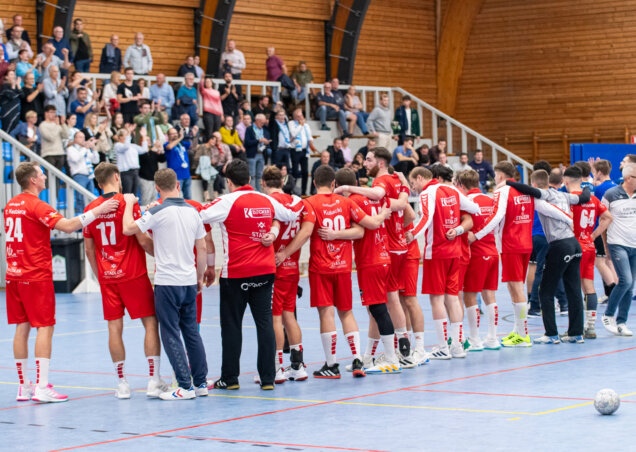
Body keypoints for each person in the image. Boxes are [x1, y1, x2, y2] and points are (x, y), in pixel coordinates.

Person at [5, 161, 118, 402]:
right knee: (45, 326)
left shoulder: (11, 204)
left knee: (21, 327)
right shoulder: (37, 205)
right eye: (41, 174)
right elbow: (68, 227)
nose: (45, 176)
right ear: (33, 180)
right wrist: (97, 211)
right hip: (35, 275)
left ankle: (24, 386)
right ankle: (42, 386)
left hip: (14, 274)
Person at [275, 165, 388, 379]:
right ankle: (357, 359)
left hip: (320, 267)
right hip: (343, 266)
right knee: (346, 311)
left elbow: (306, 233)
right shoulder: (346, 202)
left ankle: (331, 364)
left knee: (326, 312)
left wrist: (285, 253)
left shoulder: (310, 203)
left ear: (315, 182)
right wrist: (382, 213)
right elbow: (365, 228)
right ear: (334, 183)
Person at [200, 160, 297, 390]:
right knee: (264, 324)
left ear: (229, 182)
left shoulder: (226, 201)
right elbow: (291, 215)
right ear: (251, 180)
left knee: (232, 325)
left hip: (236, 274)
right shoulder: (267, 200)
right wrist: (273, 230)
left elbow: (199, 216)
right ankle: (267, 379)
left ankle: (230, 379)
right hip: (265, 271)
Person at [83, 162, 168, 398]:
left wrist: (100, 275)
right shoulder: (128, 202)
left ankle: (121, 383)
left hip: (108, 276)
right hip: (133, 274)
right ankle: (153, 379)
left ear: (99, 184)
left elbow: (89, 251)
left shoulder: (92, 209)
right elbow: (141, 239)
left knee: (114, 327)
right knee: (150, 324)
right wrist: (162, 253)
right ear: (117, 177)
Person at [122, 168, 208, 400]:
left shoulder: (157, 211)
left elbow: (127, 229)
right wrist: (199, 277)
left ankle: (185, 387)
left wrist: (130, 205)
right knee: (191, 333)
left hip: (167, 283)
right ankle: (200, 383)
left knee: (170, 333)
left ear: (157, 189)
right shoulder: (193, 211)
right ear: (178, 185)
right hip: (189, 281)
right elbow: (202, 248)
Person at [334, 148, 417, 365]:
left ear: (380, 163)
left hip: (381, 250)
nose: (364, 163)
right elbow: (410, 212)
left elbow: (375, 208)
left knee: (379, 305)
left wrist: (347, 188)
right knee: (391, 300)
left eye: (369, 159)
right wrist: (404, 191)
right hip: (396, 246)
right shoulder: (396, 182)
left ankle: (390, 355)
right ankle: (396, 349)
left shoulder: (377, 188)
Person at [505, 168, 591, 344]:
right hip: (574, 244)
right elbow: (585, 197)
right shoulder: (564, 195)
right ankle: (576, 333)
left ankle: (551, 334)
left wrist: (506, 183)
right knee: (574, 289)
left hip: (559, 245)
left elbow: (528, 191)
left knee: (545, 290)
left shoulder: (541, 196)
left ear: (535, 183)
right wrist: (587, 185)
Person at [408, 167, 479, 359]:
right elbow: (475, 209)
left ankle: (442, 346)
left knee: (437, 299)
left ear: (420, 177)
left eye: (413, 183)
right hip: (455, 251)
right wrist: (456, 227)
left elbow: (426, 217)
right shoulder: (452, 190)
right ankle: (457, 345)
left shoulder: (428, 193)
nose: (412, 187)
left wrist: (412, 235)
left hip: (437, 251)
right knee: (453, 297)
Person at [259, 166, 306, 382]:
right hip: (292, 265)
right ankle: (297, 365)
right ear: (283, 179)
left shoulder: (267, 203)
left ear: (263, 182)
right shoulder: (296, 202)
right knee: (289, 315)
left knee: (275, 318)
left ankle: (276, 367)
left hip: (273, 266)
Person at [456, 170, 501, 351]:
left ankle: (475, 339)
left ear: (461, 184)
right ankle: (493, 338)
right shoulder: (491, 200)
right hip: (493, 251)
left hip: (476, 253)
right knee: (489, 294)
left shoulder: (468, 203)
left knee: (470, 295)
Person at [567, 170, 613, 339]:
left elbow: (569, 221)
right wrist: (593, 235)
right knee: (589, 286)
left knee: (573, 287)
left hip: (574, 246)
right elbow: (608, 217)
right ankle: (591, 327)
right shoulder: (593, 199)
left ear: (566, 180)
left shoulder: (571, 199)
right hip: (589, 244)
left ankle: (576, 328)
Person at [601, 163, 636, 336]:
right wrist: (606, 245)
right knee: (626, 280)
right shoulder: (611, 194)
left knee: (630, 287)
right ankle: (608, 315)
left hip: (634, 245)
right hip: (617, 244)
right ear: (628, 178)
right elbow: (603, 220)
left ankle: (622, 322)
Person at [591, 159, 619, 301]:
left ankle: (614, 291)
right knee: (609, 261)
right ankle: (613, 292)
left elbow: (595, 208)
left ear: (599, 173)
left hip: (601, 229)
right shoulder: (615, 185)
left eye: (595, 172)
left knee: (599, 261)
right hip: (614, 229)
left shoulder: (599, 189)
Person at [66, 130, 100, 213]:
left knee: (90, 198)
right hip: (79, 175)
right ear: (75, 139)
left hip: (89, 175)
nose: (83, 139)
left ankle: (90, 218)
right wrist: (85, 148)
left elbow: (95, 160)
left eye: (84, 138)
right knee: (80, 198)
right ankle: (79, 218)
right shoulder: (71, 149)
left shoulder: (85, 149)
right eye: (80, 137)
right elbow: (76, 159)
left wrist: (94, 148)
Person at [288, 108, 316, 196]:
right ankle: (292, 190)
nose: (301, 117)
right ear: (295, 117)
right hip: (295, 150)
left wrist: (311, 143)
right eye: (299, 116)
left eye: (302, 115)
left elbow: (309, 136)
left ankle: (304, 191)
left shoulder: (306, 125)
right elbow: (293, 134)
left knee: (305, 172)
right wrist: (300, 125)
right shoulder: (291, 123)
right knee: (295, 172)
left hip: (304, 151)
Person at [114, 125, 148, 194]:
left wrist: (144, 136)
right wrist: (129, 133)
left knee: (134, 194)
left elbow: (144, 150)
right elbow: (125, 147)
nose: (128, 137)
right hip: (126, 173)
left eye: (128, 135)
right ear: (120, 137)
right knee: (127, 194)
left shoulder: (133, 146)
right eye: (126, 135)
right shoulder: (118, 145)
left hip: (135, 172)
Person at [244, 113, 271, 190]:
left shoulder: (264, 130)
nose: (262, 124)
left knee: (260, 175)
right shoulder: (249, 129)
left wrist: (266, 141)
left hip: (261, 154)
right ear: (257, 121)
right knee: (251, 175)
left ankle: (258, 192)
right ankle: (251, 191)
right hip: (252, 154)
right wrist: (258, 140)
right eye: (261, 122)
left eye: (263, 123)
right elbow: (247, 142)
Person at [1, 69, 23, 134]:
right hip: (7, 113)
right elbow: (12, 96)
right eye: (11, 74)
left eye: (14, 74)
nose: (13, 76)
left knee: (14, 133)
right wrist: (13, 86)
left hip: (16, 113)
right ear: (6, 77)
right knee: (7, 133)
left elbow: (22, 96)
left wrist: (19, 86)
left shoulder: (15, 86)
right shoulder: (3, 86)